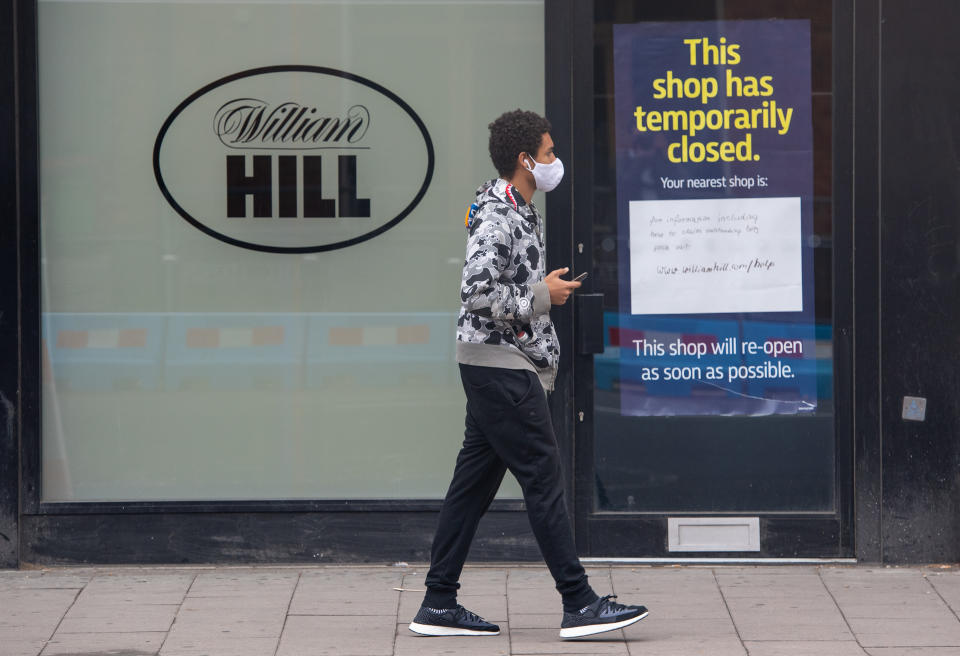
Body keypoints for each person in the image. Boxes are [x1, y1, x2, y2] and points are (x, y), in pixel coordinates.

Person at [408, 109, 648, 640]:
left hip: (497, 362)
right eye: (547, 153)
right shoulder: (497, 214)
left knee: (472, 487)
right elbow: (475, 292)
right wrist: (543, 295)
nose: (553, 161)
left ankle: (437, 602)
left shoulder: (515, 208)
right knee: (543, 478)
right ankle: (579, 602)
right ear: (524, 160)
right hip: (501, 366)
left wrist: (543, 289)